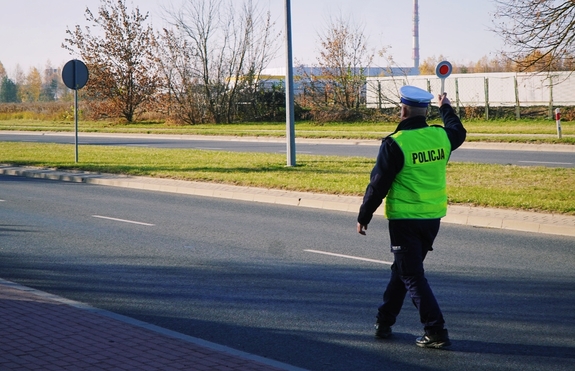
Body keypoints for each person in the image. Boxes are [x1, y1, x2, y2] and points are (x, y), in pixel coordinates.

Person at [356, 85, 466, 349]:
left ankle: (435, 330)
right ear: (425, 111)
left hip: (405, 220)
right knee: (404, 271)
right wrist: (446, 107)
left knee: (411, 275)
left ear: (403, 110)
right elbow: (458, 131)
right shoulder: (441, 136)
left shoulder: (395, 143)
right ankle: (384, 321)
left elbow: (378, 184)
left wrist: (364, 215)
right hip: (432, 218)